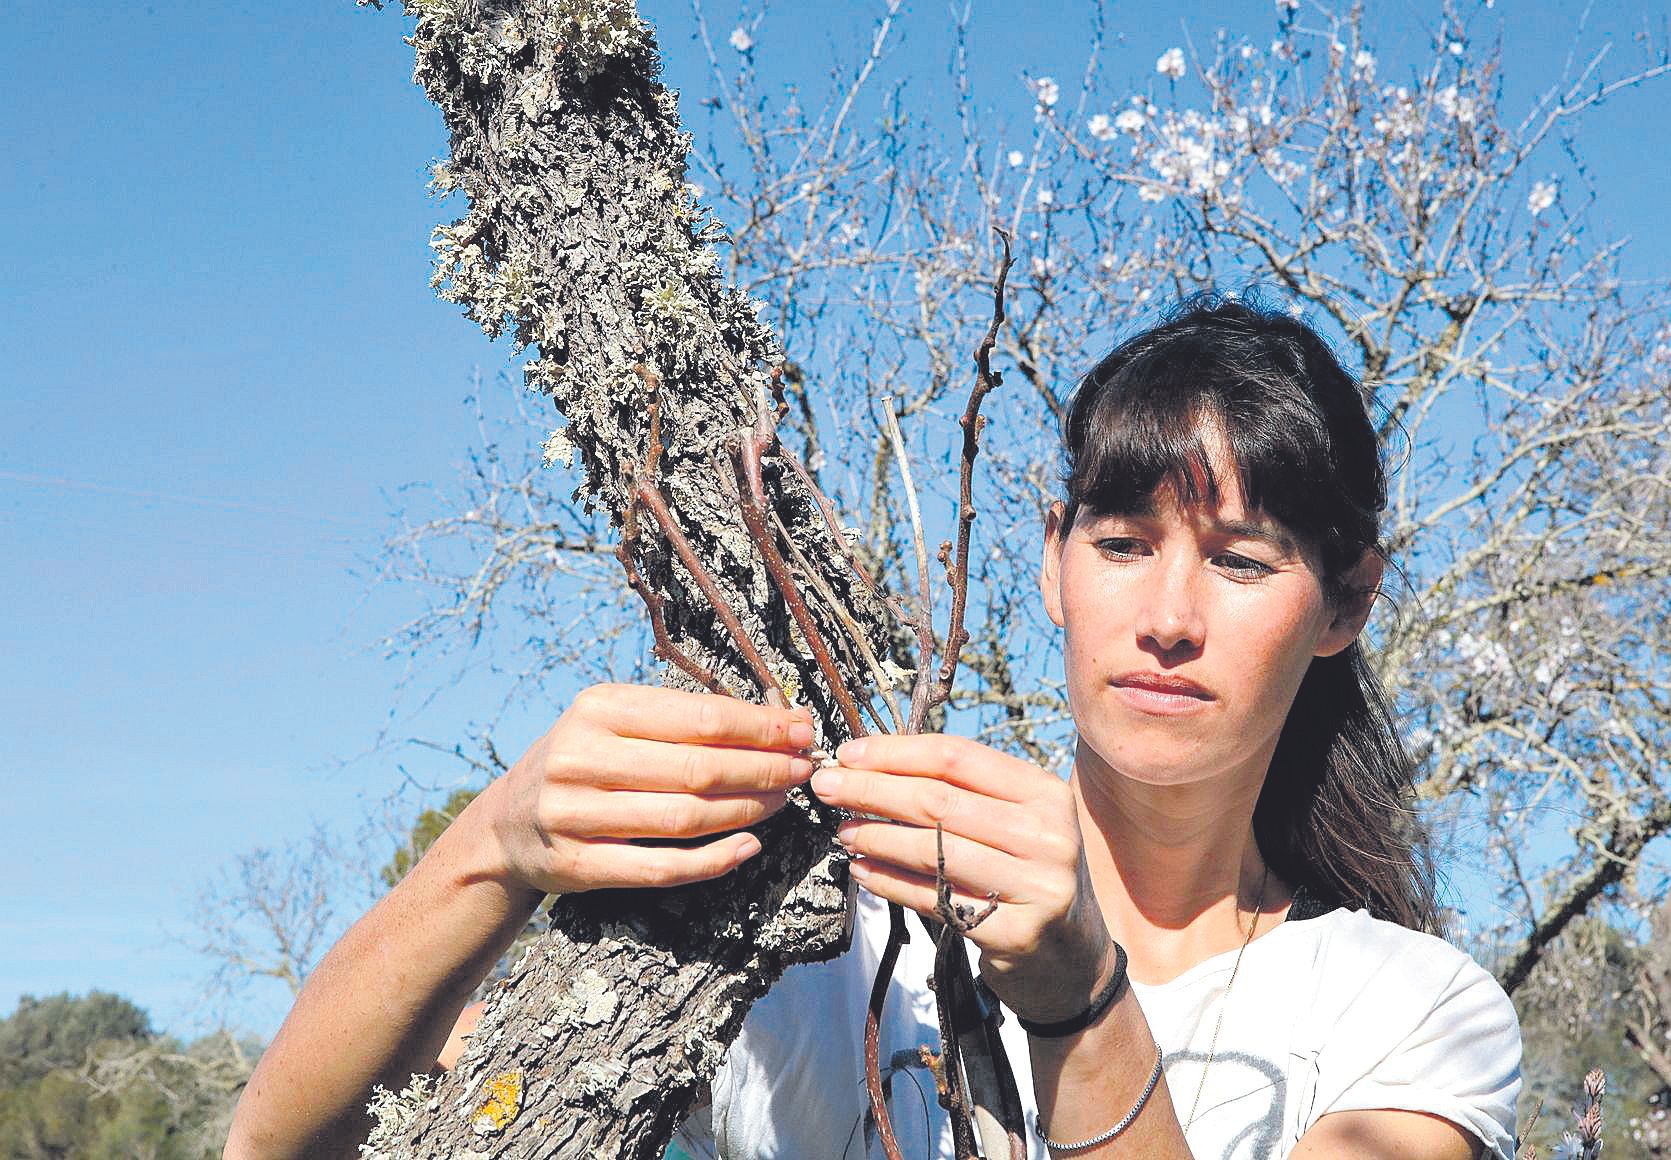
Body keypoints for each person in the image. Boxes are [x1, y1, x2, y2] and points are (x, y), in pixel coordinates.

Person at [227, 294, 1522, 1159]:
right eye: (1120, 544)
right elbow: (294, 1146)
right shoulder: (822, 928)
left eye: (1241, 562)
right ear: (1049, 563)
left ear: (1344, 600)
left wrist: (1080, 1003)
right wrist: (493, 850)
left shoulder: (1408, 1012)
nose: (1167, 618)